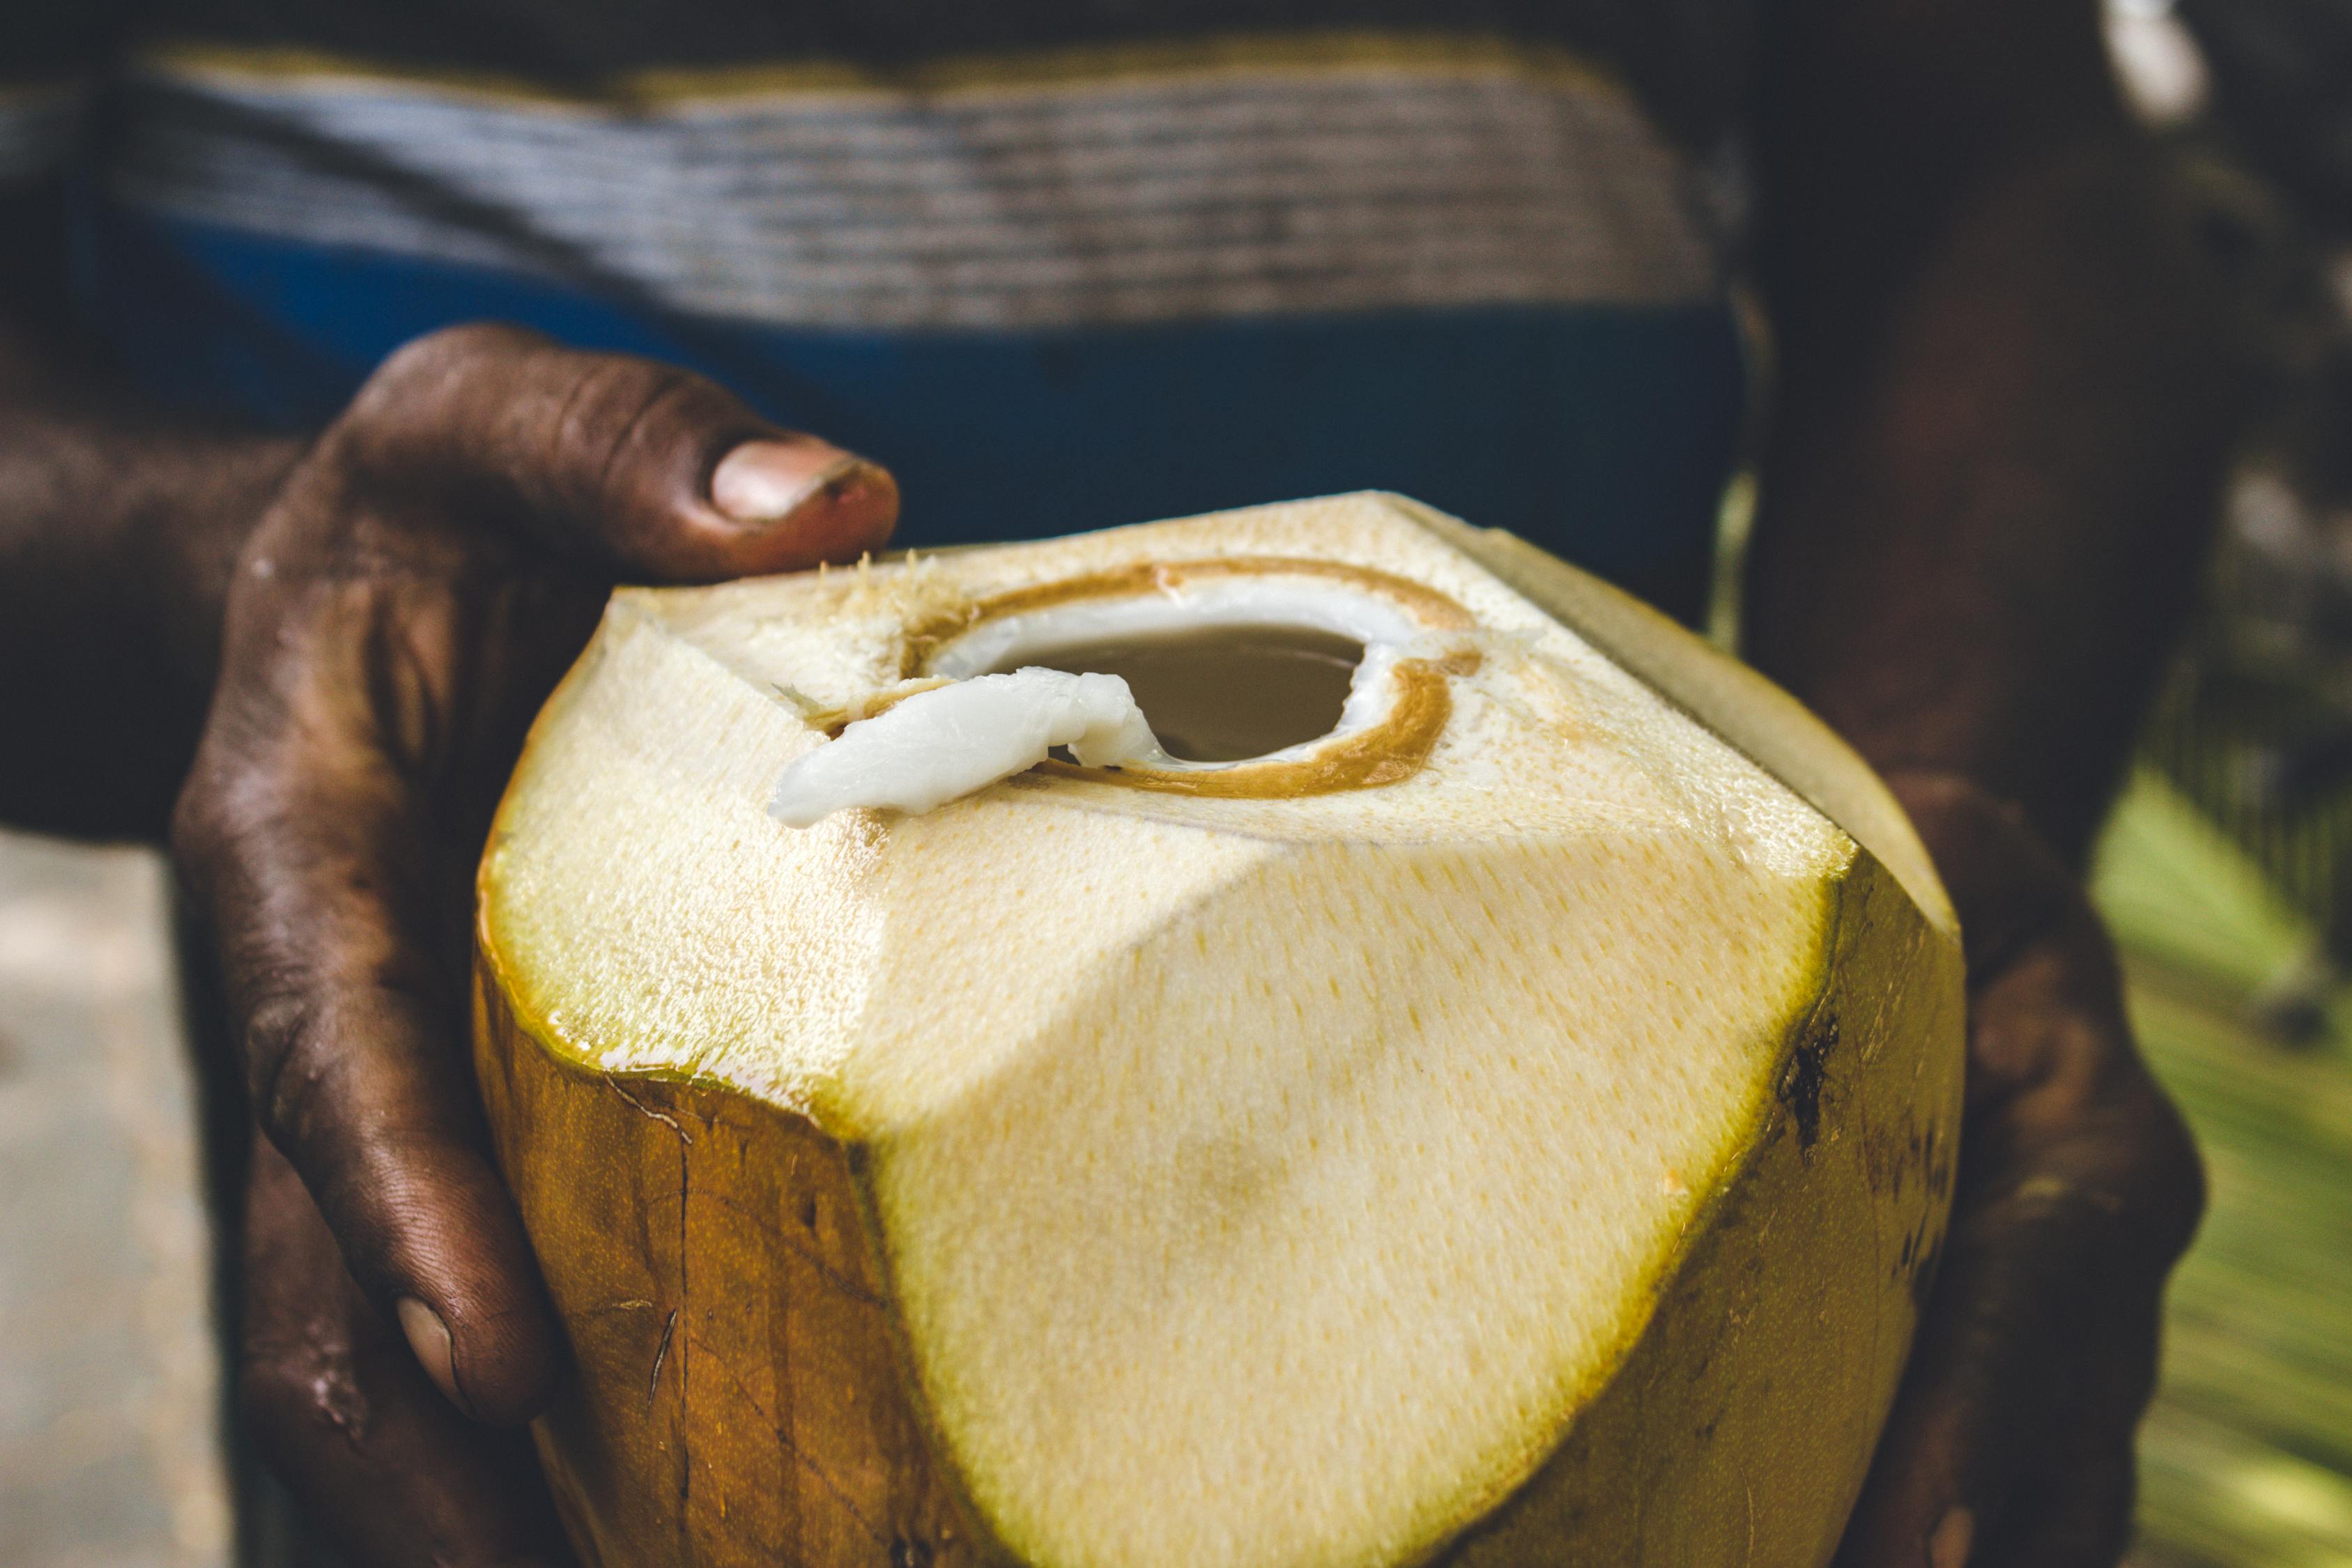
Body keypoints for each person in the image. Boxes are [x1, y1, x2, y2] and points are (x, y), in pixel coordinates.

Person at [0, 1, 2233, 1564]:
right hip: (553, 1131)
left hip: (1649, 1097)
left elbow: (1993, 145)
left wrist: (1915, 829)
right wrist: (260, 579)